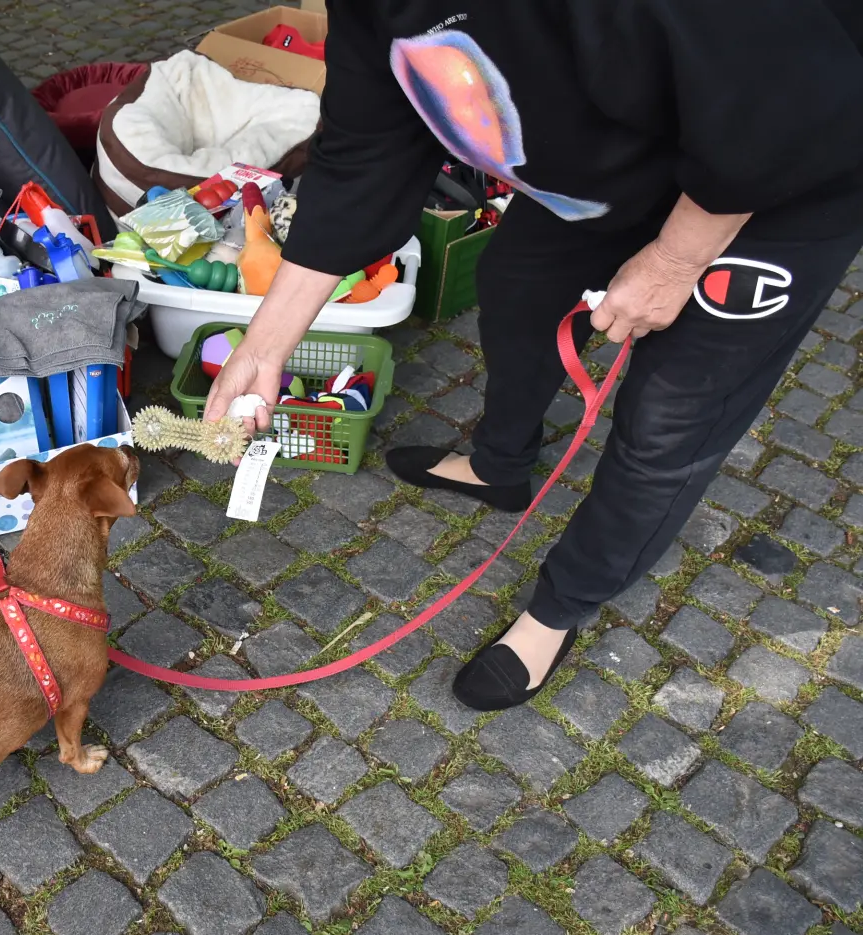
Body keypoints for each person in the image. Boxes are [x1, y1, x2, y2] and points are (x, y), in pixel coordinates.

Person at [204, 0, 863, 710]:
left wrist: (675, 261)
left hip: (776, 178)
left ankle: (560, 608)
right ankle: (499, 466)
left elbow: (778, 92)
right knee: (516, 289)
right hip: (611, 168)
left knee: (671, 421)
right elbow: (366, 154)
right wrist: (265, 345)